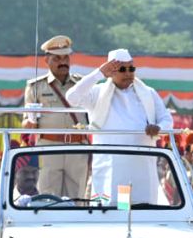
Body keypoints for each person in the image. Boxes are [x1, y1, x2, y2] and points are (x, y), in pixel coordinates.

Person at [65, 49, 173, 205]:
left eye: (131, 68)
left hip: (141, 168)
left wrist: (158, 128)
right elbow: (72, 98)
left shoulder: (148, 93)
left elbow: (166, 119)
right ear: (110, 71)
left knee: (143, 213)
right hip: (111, 169)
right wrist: (98, 74)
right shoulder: (97, 93)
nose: (128, 73)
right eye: (122, 69)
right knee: (114, 212)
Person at [22, 35, 88, 200]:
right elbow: (25, 124)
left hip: (77, 147)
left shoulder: (82, 84)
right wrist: (31, 120)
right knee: (49, 198)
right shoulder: (36, 86)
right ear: (47, 60)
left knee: (78, 199)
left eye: (66, 57)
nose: (63, 62)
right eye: (57, 58)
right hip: (49, 148)